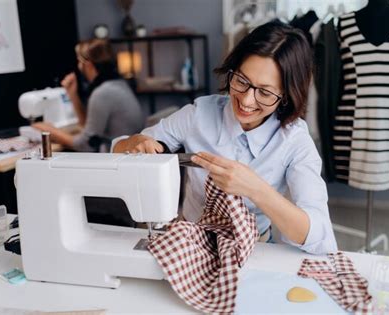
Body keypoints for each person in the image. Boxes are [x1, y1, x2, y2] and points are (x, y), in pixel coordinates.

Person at [113, 22, 337, 255]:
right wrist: (134, 144)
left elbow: (319, 236)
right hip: (189, 241)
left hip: (254, 249)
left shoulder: (295, 141)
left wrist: (256, 189)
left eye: (265, 92)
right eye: (241, 80)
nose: (247, 101)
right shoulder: (198, 115)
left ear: (286, 96)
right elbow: (119, 149)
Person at [33, 39, 145, 152]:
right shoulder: (118, 85)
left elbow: (86, 145)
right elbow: (89, 126)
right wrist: (73, 94)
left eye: (79, 61)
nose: (79, 66)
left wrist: (49, 131)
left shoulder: (103, 93)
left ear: (88, 65)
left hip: (114, 158)